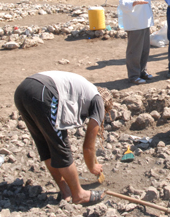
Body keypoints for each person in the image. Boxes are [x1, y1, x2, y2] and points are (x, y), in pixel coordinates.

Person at [14, 71, 113, 206]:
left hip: (23, 90)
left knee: (46, 146)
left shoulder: (85, 89)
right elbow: (88, 147)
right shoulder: (99, 102)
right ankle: (79, 195)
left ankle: (66, 190)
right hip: (44, 93)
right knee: (61, 147)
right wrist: (92, 166)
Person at [118, 0, 170, 84]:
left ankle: (142, 71)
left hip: (144, 22)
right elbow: (123, 4)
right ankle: (133, 76)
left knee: (144, 50)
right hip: (135, 24)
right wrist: (134, 3)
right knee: (134, 51)